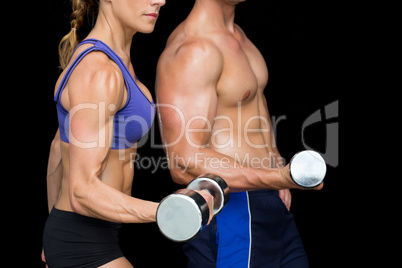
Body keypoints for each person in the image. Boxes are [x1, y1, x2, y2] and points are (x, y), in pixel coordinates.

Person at [42, 0, 214, 267]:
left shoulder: (112, 62)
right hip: (82, 243)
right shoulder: (99, 72)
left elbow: (57, 150)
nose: (161, 0)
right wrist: (168, 210)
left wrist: (51, 234)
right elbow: (82, 191)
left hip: (84, 236)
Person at [156, 0, 323, 267]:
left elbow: (253, 104)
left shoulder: (239, 36)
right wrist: (276, 177)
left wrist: (276, 164)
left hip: (270, 198)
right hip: (233, 207)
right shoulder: (194, 50)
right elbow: (183, 161)